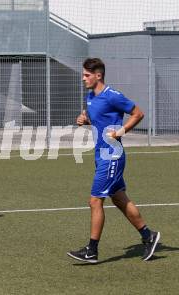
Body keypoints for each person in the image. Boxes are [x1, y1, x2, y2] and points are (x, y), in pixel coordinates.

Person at [67, 58, 160, 263]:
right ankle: (149, 236)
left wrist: (121, 131)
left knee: (94, 200)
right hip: (100, 156)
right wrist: (85, 121)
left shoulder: (112, 96)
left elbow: (138, 113)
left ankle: (92, 250)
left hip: (112, 155)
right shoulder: (91, 96)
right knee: (119, 199)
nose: (83, 78)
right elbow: (98, 121)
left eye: (87, 75)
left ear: (98, 75)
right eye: (83, 74)